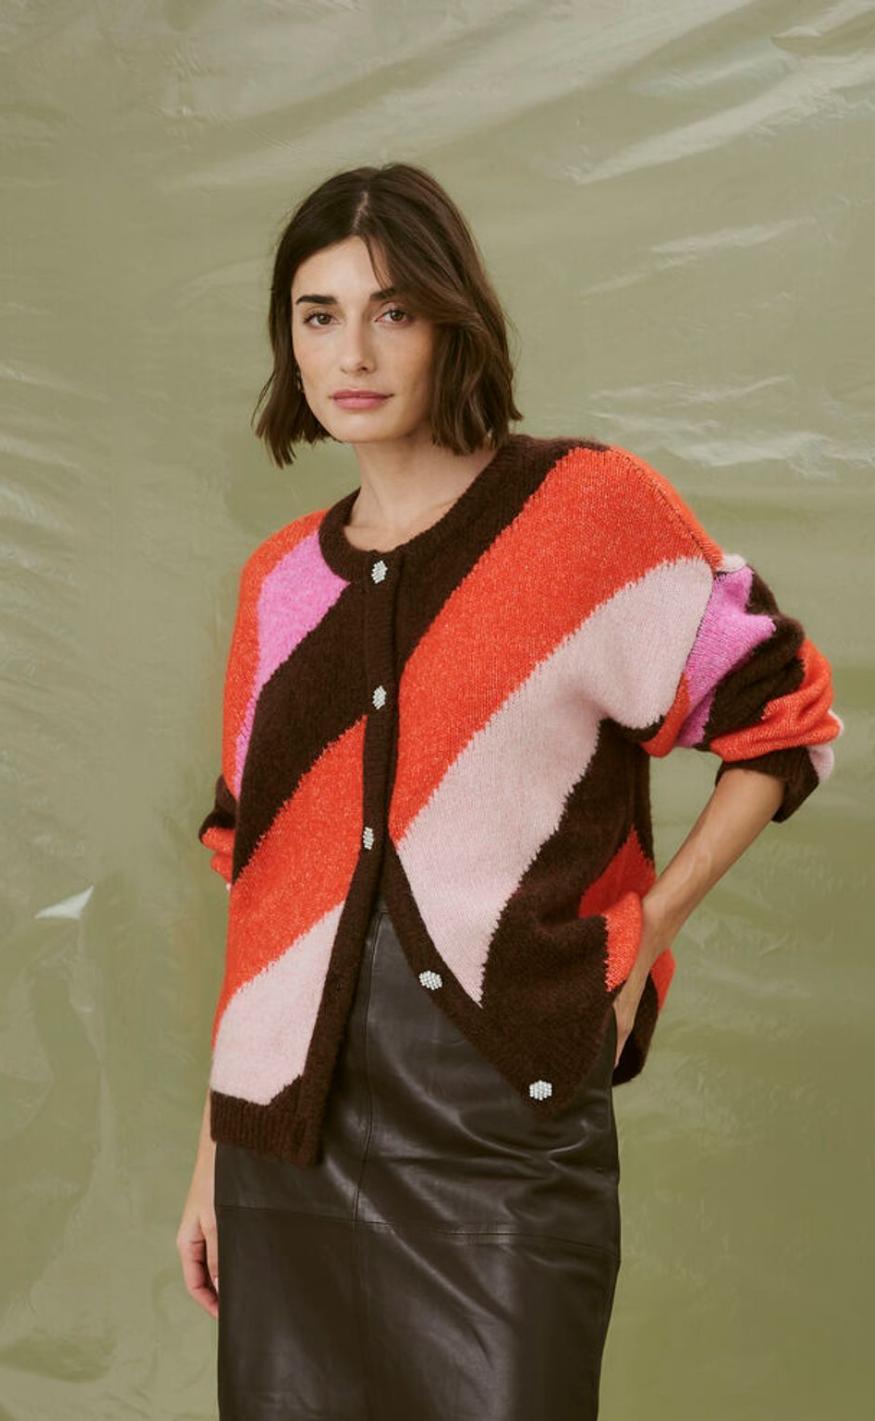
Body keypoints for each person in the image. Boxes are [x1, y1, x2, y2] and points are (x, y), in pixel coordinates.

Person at [176, 162, 842, 1419]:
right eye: (318, 315)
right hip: (286, 1149)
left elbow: (784, 718)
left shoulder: (584, 511)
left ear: (451, 322)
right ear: (287, 341)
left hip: (500, 1126)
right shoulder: (281, 585)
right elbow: (255, 881)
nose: (351, 352)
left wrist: (651, 926)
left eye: (391, 311)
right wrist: (215, 1146)